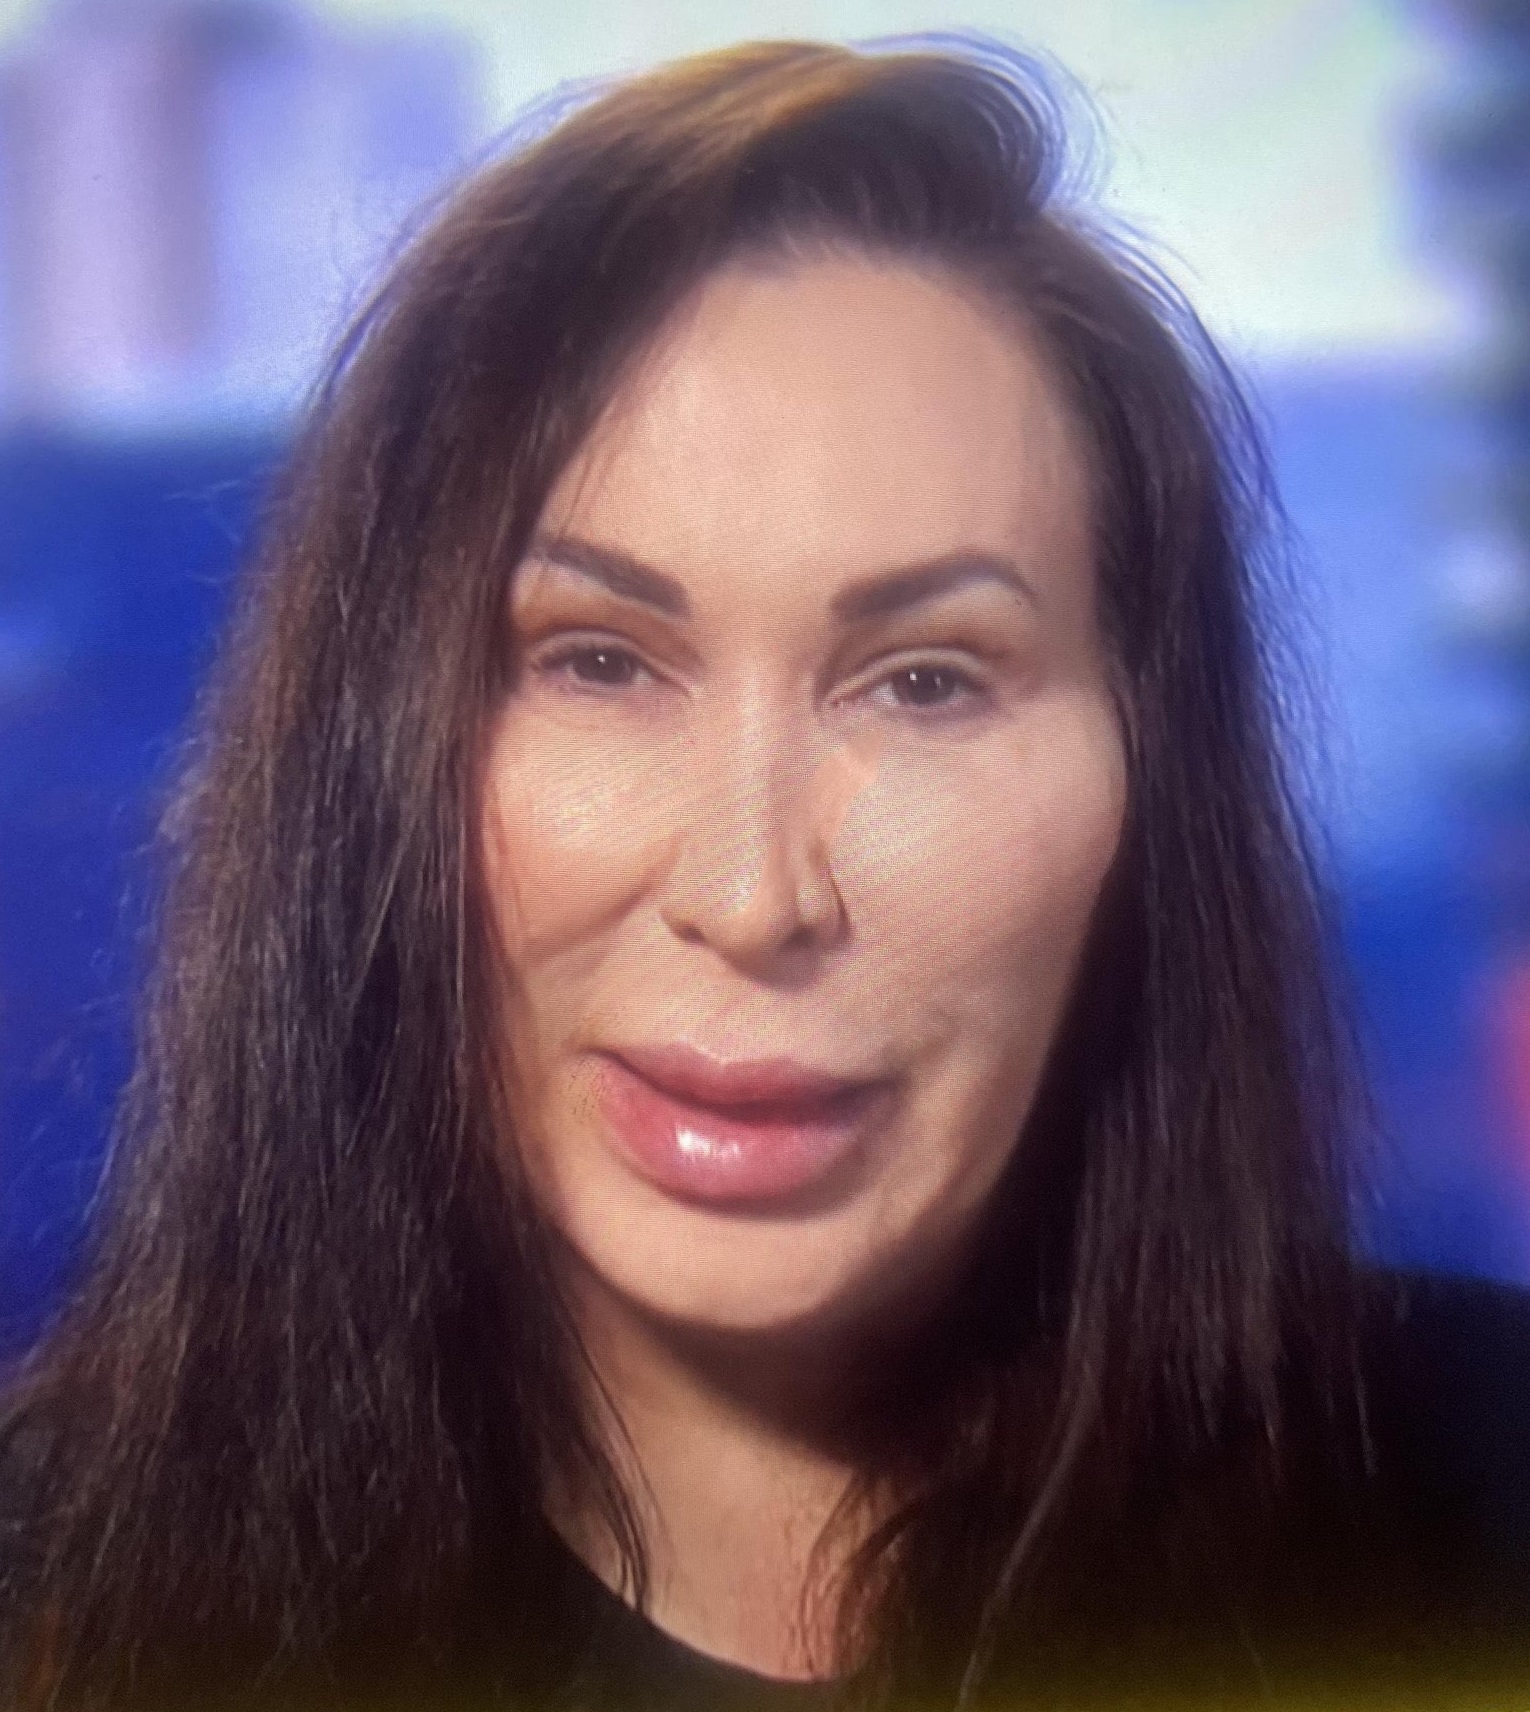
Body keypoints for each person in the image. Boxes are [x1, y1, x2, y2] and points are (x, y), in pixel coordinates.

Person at [1, 31, 1527, 1712]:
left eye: (926, 682)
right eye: (596, 661)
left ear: (1143, 792)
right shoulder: (60, 1599)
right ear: (372, 759)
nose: (751, 897)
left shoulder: (1473, 1507)